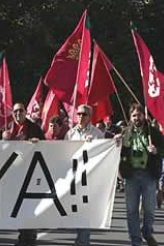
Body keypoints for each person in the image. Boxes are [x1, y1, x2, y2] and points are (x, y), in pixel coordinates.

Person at [120, 103, 164, 246]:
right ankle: (135, 239)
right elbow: (118, 151)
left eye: (139, 115)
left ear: (144, 116)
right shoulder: (125, 132)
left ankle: (147, 231)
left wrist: (156, 150)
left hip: (149, 174)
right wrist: (116, 141)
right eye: (133, 115)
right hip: (131, 175)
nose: (136, 118)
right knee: (131, 210)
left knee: (149, 209)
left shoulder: (153, 132)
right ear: (130, 117)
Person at [3, 103, 45, 246]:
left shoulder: (34, 128)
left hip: (31, 172)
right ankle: (23, 235)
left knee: (30, 205)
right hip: (12, 174)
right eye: (15, 111)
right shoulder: (6, 128)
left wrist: (38, 143)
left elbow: (46, 146)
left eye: (21, 110)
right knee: (18, 206)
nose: (18, 113)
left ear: (26, 112)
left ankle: (30, 237)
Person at [65, 104, 104, 246]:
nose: (81, 116)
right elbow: (64, 153)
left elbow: (104, 152)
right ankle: (80, 236)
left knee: (85, 208)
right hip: (74, 175)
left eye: (84, 114)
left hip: (89, 175)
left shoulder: (97, 133)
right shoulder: (70, 133)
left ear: (90, 116)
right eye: (79, 114)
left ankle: (83, 240)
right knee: (76, 208)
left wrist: (92, 145)